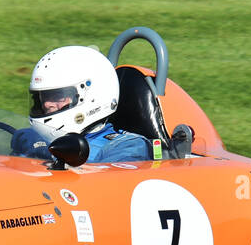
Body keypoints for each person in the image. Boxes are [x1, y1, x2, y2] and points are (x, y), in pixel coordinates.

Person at [10, 45, 152, 162]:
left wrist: (49, 156)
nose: (47, 104)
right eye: (42, 97)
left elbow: (106, 189)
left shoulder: (128, 146)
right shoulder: (35, 141)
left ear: (92, 95)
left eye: (57, 96)